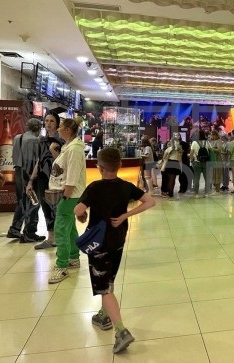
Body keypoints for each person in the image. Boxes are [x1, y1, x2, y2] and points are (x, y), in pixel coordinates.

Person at [74, 147, 156, 354]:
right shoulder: (126, 187)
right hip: (118, 240)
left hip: (98, 244)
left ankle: (121, 330)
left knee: (104, 287)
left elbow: (78, 209)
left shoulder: (94, 187)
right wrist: (125, 216)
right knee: (109, 277)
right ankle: (104, 314)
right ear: (119, 165)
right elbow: (150, 201)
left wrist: (81, 215)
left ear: (99, 168)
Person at [47, 117, 87, 284]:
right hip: (68, 192)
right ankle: (73, 257)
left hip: (70, 194)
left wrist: (66, 194)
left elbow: (73, 173)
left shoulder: (75, 149)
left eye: (60, 127)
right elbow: (64, 167)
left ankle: (61, 266)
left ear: (68, 130)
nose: (58, 129)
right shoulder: (68, 147)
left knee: (61, 228)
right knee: (69, 228)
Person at [29, 112, 65, 250]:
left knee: (57, 208)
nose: (48, 123)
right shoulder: (41, 141)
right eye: (47, 120)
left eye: (52, 121)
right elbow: (39, 162)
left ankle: (59, 236)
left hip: (56, 179)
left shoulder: (61, 142)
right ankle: (51, 238)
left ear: (57, 124)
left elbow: (62, 163)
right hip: (42, 179)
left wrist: (53, 151)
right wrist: (31, 181)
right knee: (45, 208)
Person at [7, 118, 45, 242]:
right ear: (38, 128)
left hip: (18, 171)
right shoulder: (36, 140)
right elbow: (36, 160)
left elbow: (14, 156)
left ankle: (14, 229)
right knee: (34, 202)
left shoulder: (18, 137)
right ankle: (30, 232)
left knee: (21, 202)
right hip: (29, 174)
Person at [190, 130, 213, 198]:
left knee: (196, 178)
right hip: (205, 162)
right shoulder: (207, 142)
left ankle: (196, 194)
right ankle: (206, 193)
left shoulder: (194, 142)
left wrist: (191, 161)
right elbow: (211, 150)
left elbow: (191, 153)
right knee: (206, 178)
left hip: (197, 162)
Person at [162, 132, 183, 198]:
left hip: (169, 163)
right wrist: (181, 168)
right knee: (173, 179)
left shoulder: (168, 149)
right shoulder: (179, 150)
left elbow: (164, 157)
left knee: (169, 179)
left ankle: (169, 192)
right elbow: (180, 159)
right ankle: (171, 193)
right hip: (176, 164)